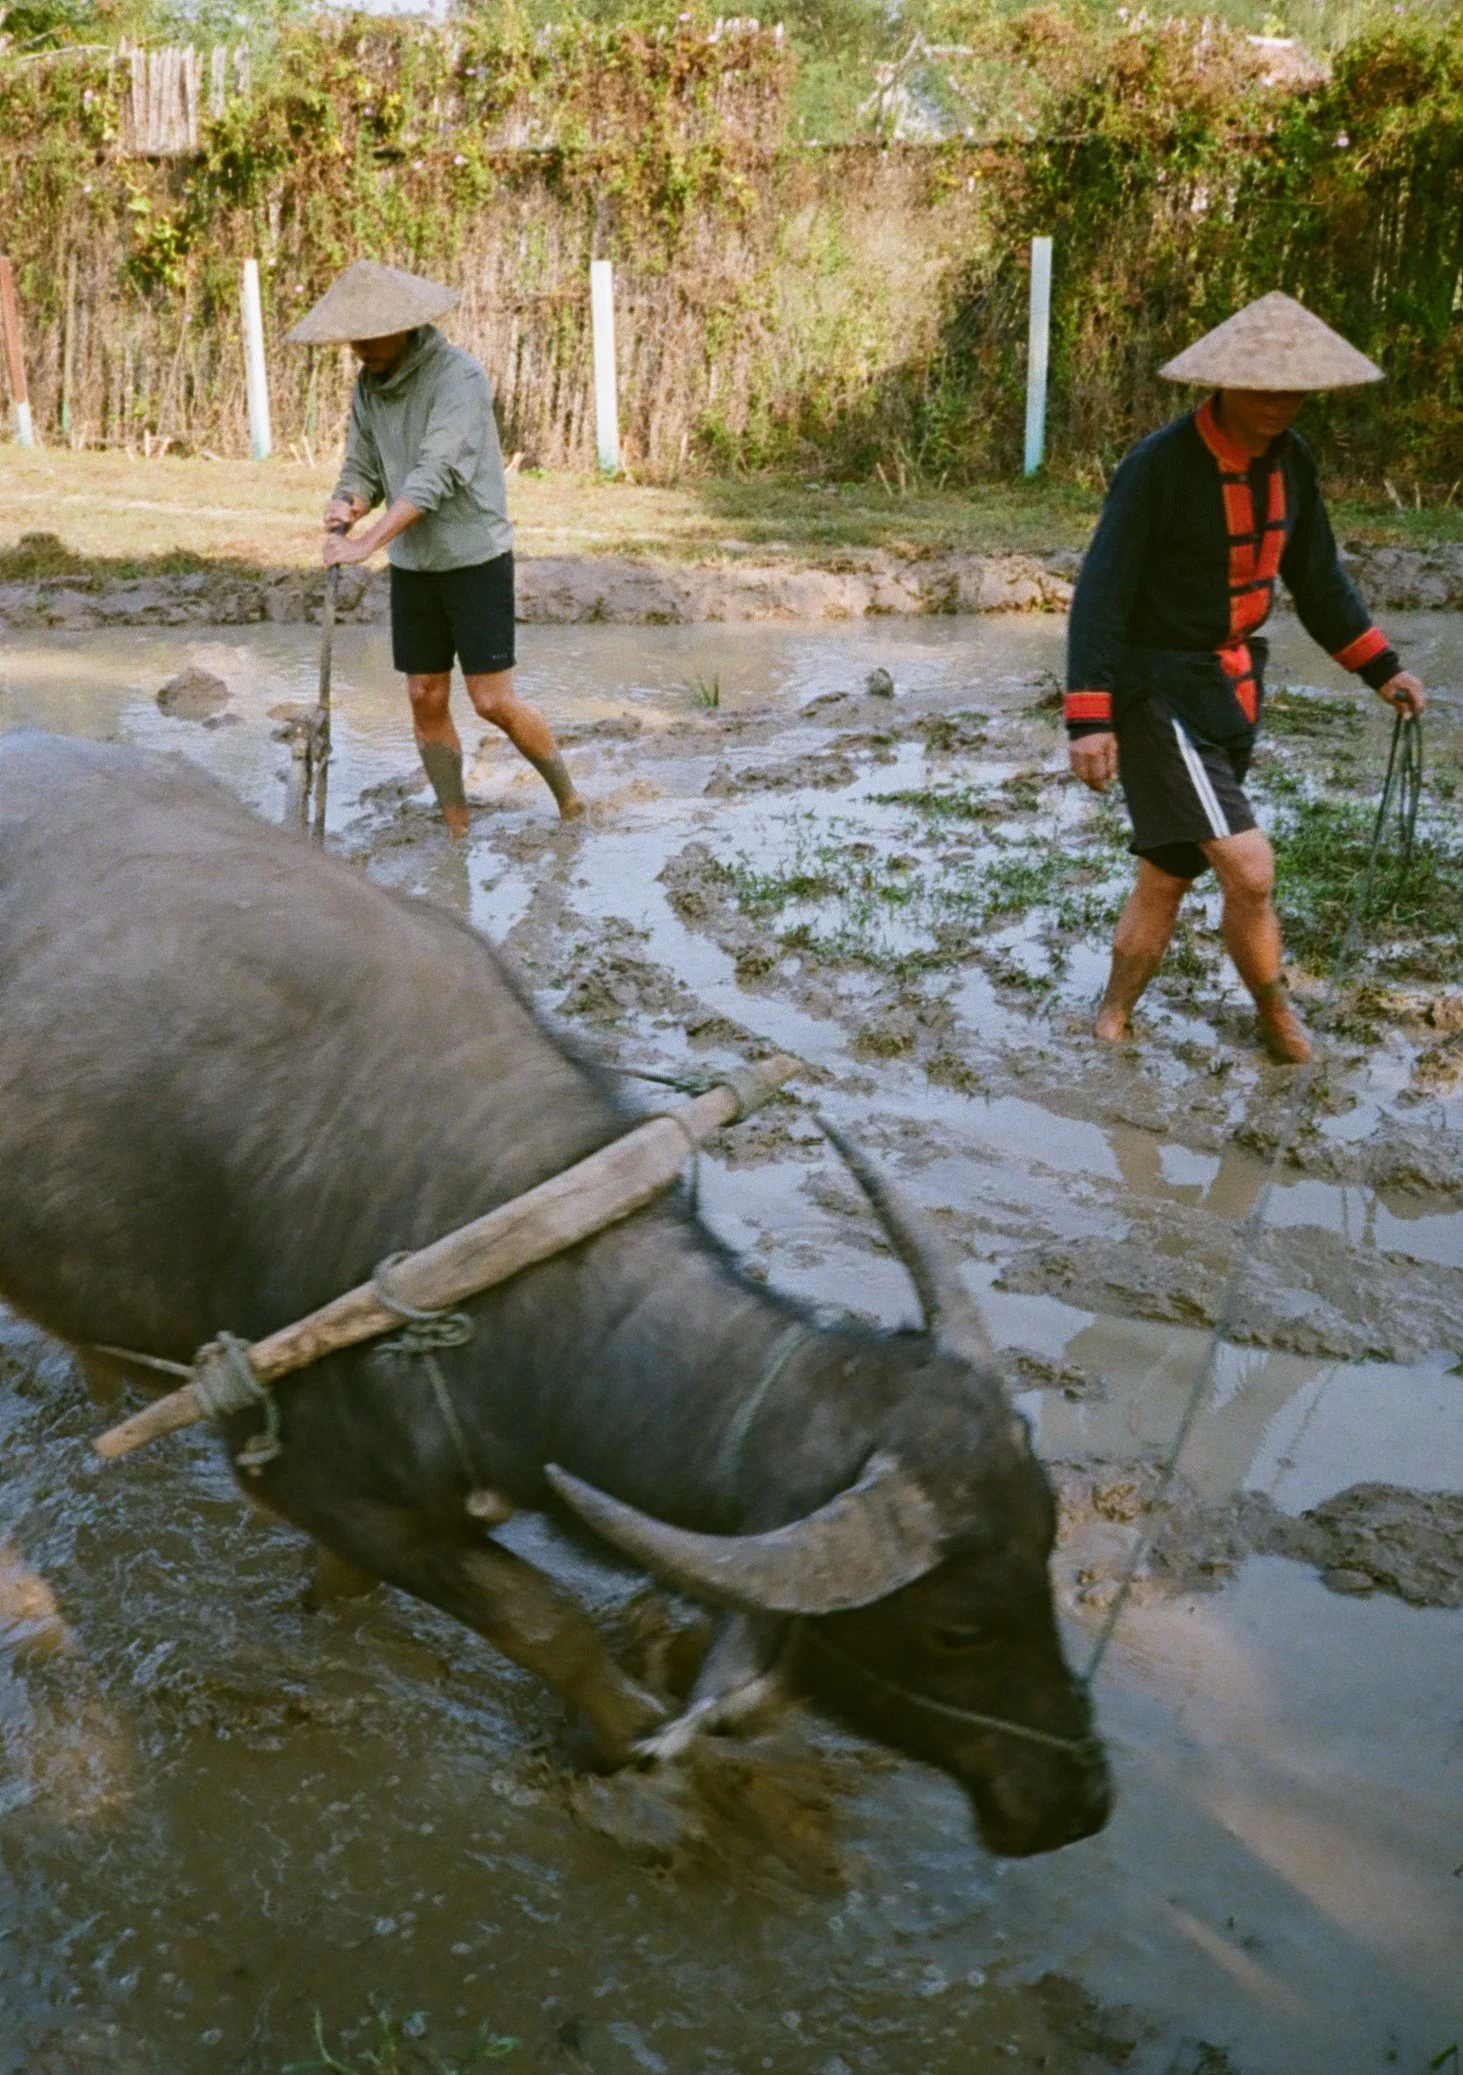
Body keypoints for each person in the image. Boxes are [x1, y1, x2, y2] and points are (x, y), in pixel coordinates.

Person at [1065, 291, 1425, 1063]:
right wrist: (1089, 717)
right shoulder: (1157, 467)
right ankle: (1277, 1020)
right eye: (1263, 390)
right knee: (1250, 870)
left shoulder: (1291, 461)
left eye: (1293, 392)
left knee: (1165, 877)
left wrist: (1381, 669)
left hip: (1230, 688)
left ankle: (1110, 1019)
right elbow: (1102, 594)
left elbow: (1318, 580)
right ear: (1223, 384)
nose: (1278, 406)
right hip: (1156, 690)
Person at [286, 260, 583, 832]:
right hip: (415, 562)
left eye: (372, 336)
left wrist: (365, 543)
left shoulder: (458, 378)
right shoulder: (368, 386)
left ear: (406, 326)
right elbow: (364, 464)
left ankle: (569, 799)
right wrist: (347, 500)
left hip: (473, 557)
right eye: (354, 338)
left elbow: (433, 475)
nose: (361, 349)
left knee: (491, 702)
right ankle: (457, 831)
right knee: (424, 695)